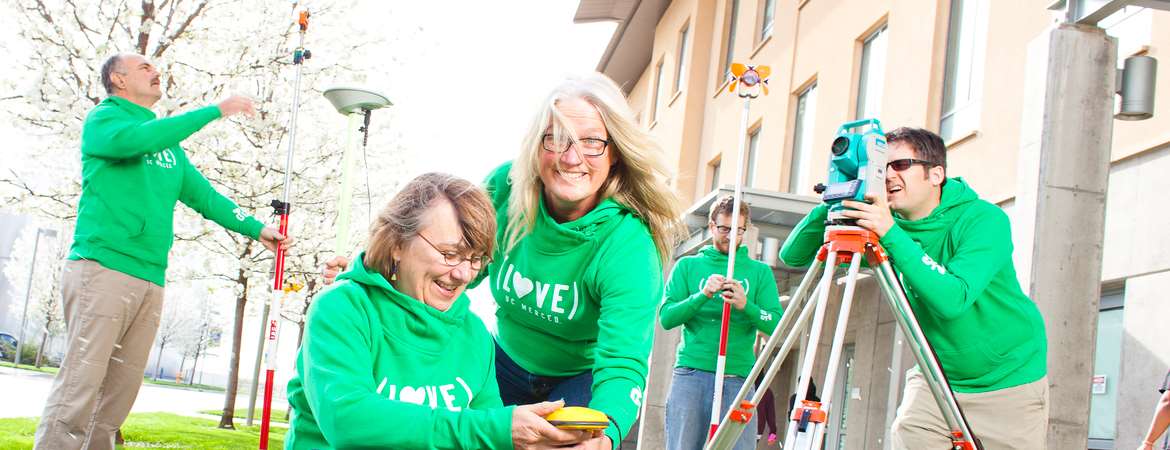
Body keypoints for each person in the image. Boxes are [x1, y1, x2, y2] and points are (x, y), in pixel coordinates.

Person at [325, 73, 686, 449]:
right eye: (556, 139)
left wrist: (607, 435)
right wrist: (372, 282)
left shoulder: (629, 246)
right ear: (536, 145)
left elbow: (623, 361)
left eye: (592, 142)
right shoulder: (505, 189)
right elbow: (446, 268)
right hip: (501, 363)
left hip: (577, 379)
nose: (571, 157)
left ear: (614, 154)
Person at [34, 53, 291, 450]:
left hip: (150, 278)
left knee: (118, 396)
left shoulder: (168, 148)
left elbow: (203, 194)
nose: (157, 72)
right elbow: (137, 141)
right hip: (102, 269)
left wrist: (256, 228)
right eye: (144, 68)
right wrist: (214, 111)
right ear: (118, 80)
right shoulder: (105, 120)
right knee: (79, 386)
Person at [779, 127, 1048, 449]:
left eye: (900, 165)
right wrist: (838, 199)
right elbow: (793, 255)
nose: (888, 175)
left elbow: (953, 299)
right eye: (881, 167)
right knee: (909, 434)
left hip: (1008, 380)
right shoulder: (885, 223)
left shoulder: (983, 219)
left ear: (936, 174)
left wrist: (890, 232)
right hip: (937, 377)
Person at [286, 173, 592, 449]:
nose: (463, 274)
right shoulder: (342, 309)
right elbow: (347, 421)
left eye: (476, 259)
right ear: (397, 242)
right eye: (449, 254)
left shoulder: (473, 334)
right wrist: (495, 428)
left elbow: (487, 436)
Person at [658, 196, 783, 450]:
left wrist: (745, 305)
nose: (731, 236)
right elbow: (667, 317)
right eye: (724, 228)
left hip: (738, 378)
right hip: (692, 374)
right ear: (712, 226)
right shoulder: (688, 266)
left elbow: (776, 325)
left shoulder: (759, 272)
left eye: (738, 230)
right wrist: (701, 295)